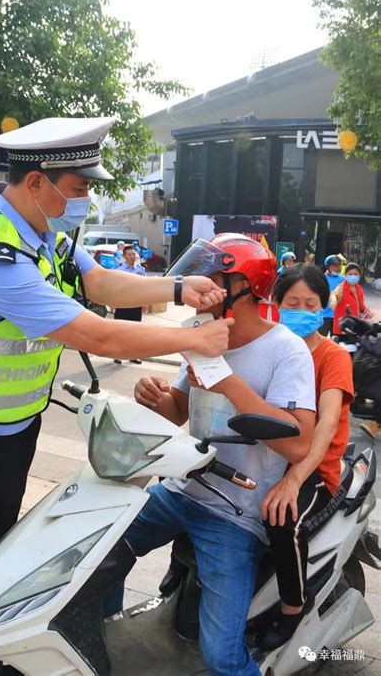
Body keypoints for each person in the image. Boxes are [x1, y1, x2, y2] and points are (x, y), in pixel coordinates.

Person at [0, 117, 231, 676]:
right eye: (79, 187)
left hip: (16, 424)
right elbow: (92, 331)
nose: (87, 198)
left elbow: (100, 284)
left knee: (4, 545)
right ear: (38, 183)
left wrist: (176, 286)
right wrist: (189, 338)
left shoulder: (39, 230)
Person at [123, 234, 316, 676]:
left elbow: (298, 442)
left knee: (221, 659)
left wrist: (225, 379)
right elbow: (179, 411)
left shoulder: (284, 351)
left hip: (235, 512)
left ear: (242, 287)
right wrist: (155, 398)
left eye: (207, 278)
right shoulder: (201, 335)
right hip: (180, 488)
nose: (194, 287)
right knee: (99, 559)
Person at [257, 265, 354, 650]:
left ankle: (293, 605)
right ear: (276, 305)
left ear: (322, 308)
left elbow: (327, 426)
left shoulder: (332, 357)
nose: (300, 309)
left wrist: (294, 479)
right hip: (267, 456)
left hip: (316, 466)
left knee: (282, 517)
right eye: (291, 302)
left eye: (308, 303)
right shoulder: (271, 346)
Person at [113, 244, 147, 365]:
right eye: (130, 254)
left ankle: (133, 356)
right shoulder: (119, 271)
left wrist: (145, 303)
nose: (132, 256)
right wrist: (113, 303)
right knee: (119, 331)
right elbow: (115, 289)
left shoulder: (140, 270)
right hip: (122, 304)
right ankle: (117, 355)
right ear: (125, 256)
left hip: (136, 305)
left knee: (135, 331)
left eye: (134, 254)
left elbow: (144, 288)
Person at [330, 262, 368, 337]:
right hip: (342, 329)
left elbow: (361, 307)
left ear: (359, 276)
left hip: (355, 328)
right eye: (350, 274)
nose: (353, 276)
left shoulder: (359, 289)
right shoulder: (341, 288)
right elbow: (334, 295)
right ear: (345, 275)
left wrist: (366, 310)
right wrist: (334, 301)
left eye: (355, 274)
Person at [320, 255, 344, 337]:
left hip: (337, 315)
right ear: (328, 266)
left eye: (338, 265)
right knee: (321, 340)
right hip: (324, 314)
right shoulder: (322, 278)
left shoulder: (342, 279)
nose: (337, 268)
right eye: (334, 265)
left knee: (336, 340)